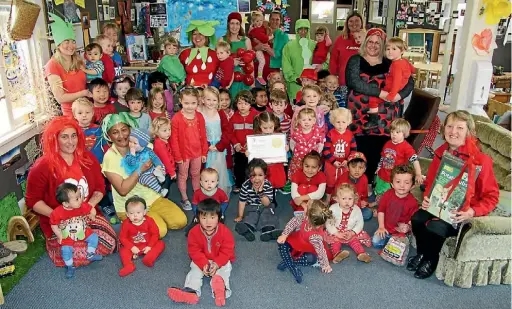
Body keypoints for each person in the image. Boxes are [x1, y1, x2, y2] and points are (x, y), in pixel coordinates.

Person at [408, 111, 499, 279]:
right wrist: (428, 198)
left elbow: (492, 196)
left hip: (461, 211)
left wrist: (472, 212)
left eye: (460, 127)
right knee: (417, 218)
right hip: (439, 203)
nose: (453, 131)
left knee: (435, 227)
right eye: (449, 126)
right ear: (444, 130)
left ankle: (430, 259)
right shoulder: (440, 153)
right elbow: (432, 183)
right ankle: (421, 253)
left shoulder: (482, 161)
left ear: (468, 132)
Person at [25, 117, 117, 267]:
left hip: (87, 216)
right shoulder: (42, 166)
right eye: (64, 137)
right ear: (55, 139)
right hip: (59, 222)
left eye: (73, 136)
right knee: (75, 253)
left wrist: (90, 207)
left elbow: (100, 188)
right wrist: (58, 217)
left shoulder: (88, 158)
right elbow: (33, 201)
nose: (70, 141)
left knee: (110, 242)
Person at [101, 113, 187, 238]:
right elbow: (123, 190)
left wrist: (160, 170)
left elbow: (158, 163)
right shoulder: (110, 157)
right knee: (160, 230)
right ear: (109, 136)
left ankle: (143, 222)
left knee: (180, 221)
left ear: (130, 129)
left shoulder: (143, 147)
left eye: (124, 130)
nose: (121, 135)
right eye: (115, 132)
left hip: (152, 196)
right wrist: (140, 169)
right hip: (130, 204)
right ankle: (130, 221)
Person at [345, 28, 414, 179]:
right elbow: (354, 82)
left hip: (385, 119)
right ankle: (359, 181)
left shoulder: (393, 62)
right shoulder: (355, 60)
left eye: (378, 42)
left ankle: (377, 181)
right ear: (365, 42)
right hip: (359, 116)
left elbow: (409, 81)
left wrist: (399, 95)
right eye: (370, 41)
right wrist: (380, 93)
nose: (373, 45)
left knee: (383, 149)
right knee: (359, 148)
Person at [168, 199, 235, 307]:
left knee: (224, 271)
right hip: (202, 259)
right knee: (194, 270)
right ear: (197, 218)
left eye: (212, 217)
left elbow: (227, 251)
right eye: (204, 218)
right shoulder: (193, 232)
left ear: (219, 218)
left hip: (220, 259)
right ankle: (190, 291)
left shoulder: (225, 232)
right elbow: (194, 251)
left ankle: (221, 291)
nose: (208, 222)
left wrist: (217, 264)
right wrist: (203, 263)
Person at [50, 183, 103, 278]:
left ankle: (90, 254)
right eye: (77, 199)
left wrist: (92, 214)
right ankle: (70, 266)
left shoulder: (82, 206)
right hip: (67, 233)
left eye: (80, 196)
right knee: (65, 250)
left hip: (82, 230)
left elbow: (91, 209)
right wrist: (59, 235)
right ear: (66, 203)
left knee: (94, 237)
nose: (81, 200)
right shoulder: (57, 213)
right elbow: (53, 225)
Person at [277, 200, 333, 284]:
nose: (304, 206)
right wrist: (284, 234)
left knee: (312, 259)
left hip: (308, 250)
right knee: (282, 243)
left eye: (306, 206)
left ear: (309, 214)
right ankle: (291, 265)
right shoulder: (306, 216)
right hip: (298, 241)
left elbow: (320, 251)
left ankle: (289, 263)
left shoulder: (315, 237)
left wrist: (325, 265)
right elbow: (294, 222)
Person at [365, 37, 415, 130]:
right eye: (388, 49)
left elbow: (397, 81)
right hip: (397, 91)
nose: (390, 52)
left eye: (394, 49)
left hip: (391, 90)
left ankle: (373, 120)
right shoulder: (404, 61)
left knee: (373, 100)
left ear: (402, 50)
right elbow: (413, 69)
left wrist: (392, 95)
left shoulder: (396, 65)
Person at [171, 88, 208, 210]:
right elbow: (174, 140)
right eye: (186, 103)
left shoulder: (200, 116)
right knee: (183, 175)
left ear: (198, 102)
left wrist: (204, 152)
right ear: (181, 101)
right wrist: (178, 156)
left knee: (196, 174)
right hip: (183, 154)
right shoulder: (177, 118)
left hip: (197, 152)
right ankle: (184, 198)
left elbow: (203, 135)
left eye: (193, 103)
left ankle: (197, 195)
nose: (190, 106)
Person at [45, 13, 89, 116]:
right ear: (58, 45)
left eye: (73, 41)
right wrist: (83, 93)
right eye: (66, 41)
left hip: (87, 111)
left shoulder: (78, 60)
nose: (71, 45)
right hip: (71, 114)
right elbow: (60, 98)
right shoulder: (52, 65)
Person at [374, 118, 423, 202]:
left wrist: (418, 173)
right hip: (382, 174)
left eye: (397, 132)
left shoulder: (406, 147)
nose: (394, 134)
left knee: (389, 197)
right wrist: (379, 167)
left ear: (404, 133)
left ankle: (384, 205)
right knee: (379, 191)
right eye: (392, 132)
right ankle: (378, 201)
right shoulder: (387, 143)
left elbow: (414, 159)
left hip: (394, 178)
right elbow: (383, 157)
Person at [234, 158, 281, 242]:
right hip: (252, 206)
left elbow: (267, 203)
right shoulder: (245, 185)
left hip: (266, 205)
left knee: (267, 215)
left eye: (260, 175)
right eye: (253, 175)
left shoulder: (268, 185)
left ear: (265, 175)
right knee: (251, 216)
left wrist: (260, 192)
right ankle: (248, 229)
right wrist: (240, 216)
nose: (257, 179)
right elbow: (242, 201)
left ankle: (268, 231)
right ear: (249, 175)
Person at [373, 164, 418, 249]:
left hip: (400, 233)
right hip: (385, 229)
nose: (402, 185)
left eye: (407, 182)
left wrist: (408, 227)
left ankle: (401, 240)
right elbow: (381, 211)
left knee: (399, 248)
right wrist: (381, 227)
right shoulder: (387, 194)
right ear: (392, 184)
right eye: (398, 182)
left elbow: (413, 219)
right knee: (375, 242)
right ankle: (390, 241)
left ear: (412, 186)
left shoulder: (413, 202)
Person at [118, 196, 165, 277]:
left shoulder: (149, 221)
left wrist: (149, 246)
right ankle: (128, 265)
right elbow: (123, 238)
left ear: (144, 212)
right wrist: (132, 247)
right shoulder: (126, 224)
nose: (135, 216)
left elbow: (155, 234)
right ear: (127, 214)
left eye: (138, 213)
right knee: (123, 250)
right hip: (133, 247)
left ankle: (149, 258)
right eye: (131, 213)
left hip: (147, 245)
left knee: (160, 243)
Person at [326, 183, 371, 263]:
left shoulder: (356, 209)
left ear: (354, 198)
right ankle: (337, 254)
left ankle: (361, 254)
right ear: (337, 199)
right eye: (344, 199)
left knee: (355, 241)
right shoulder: (333, 208)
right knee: (335, 242)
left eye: (350, 199)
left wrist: (353, 232)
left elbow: (360, 223)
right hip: (337, 231)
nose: (347, 202)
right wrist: (336, 233)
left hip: (350, 231)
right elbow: (329, 223)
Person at [200, 87, 233, 196]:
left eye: (214, 100)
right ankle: (207, 192)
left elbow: (227, 131)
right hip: (206, 148)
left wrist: (219, 146)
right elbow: (199, 132)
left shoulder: (221, 114)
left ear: (218, 101)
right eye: (208, 100)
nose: (211, 103)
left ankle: (219, 194)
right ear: (203, 99)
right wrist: (207, 145)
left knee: (219, 170)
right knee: (207, 170)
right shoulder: (200, 113)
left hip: (219, 148)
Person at [322, 108, 357, 201]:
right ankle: (328, 198)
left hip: (345, 163)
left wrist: (348, 160)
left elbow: (354, 150)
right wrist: (333, 161)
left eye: (343, 122)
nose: (341, 125)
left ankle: (342, 199)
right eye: (338, 122)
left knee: (344, 182)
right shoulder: (330, 134)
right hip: (331, 163)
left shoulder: (350, 134)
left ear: (348, 122)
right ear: (333, 122)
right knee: (330, 182)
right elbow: (326, 150)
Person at [122, 128, 168, 196]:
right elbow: (132, 164)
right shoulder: (129, 154)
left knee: (162, 167)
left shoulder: (148, 150)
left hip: (151, 168)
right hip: (141, 174)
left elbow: (155, 158)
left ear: (142, 144)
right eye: (130, 142)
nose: (131, 145)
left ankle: (159, 175)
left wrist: (159, 165)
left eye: (135, 143)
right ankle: (160, 190)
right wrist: (132, 155)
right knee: (149, 179)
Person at [229, 90, 258, 192]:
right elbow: (230, 133)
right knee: (239, 168)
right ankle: (239, 184)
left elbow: (258, 131)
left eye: (246, 103)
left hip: (252, 149)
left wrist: (251, 143)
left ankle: (254, 184)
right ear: (236, 104)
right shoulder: (233, 118)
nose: (242, 106)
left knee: (253, 168)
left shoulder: (256, 116)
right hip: (239, 149)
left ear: (251, 104)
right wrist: (236, 143)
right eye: (240, 103)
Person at [219, 12, 253, 99]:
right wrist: (230, 62)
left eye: (237, 23)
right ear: (228, 24)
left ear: (240, 25)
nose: (235, 26)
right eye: (232, 23)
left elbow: (250, 62)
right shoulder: (222, 40)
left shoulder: (246, 40)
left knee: (244, 104)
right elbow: (218, 61)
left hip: (244, 79)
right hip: (229, 78)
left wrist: (252, 82)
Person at [282, 19, 316, 100]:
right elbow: (286, 64)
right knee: (296, 107)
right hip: (295, 85)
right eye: (300, 29)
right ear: (296, 30)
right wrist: (295, 78)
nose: (303, 31)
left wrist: (315, 77)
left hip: (312, 85)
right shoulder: (289, 46)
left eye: (305, 29)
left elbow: (324, 61)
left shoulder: (314, 45)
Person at [329, 11, 366, 86]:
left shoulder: (367, 39)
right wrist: (333, 76)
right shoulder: (340, 39)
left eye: (357, 21)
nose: (354, 24)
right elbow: (333, 59)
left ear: (361, 23)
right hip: (343, 80)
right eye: (351, 21)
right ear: (347, 24)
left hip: (362, 82)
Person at [179, 20, 220, 87]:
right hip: (190, 93)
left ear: (207, 36)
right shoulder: (185, 53)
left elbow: (221, 74)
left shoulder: (215, 54)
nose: (197, 37)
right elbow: (177, 71)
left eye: (201, 33)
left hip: (210, 93)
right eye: (194, 34)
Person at [252, 112, 287, 190]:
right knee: (263, 183)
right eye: (265, 128)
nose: (268, 130)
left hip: (275, 165)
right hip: (263, 166)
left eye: (271, 127)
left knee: (275, 181)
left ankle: (273, 193)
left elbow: (282, 148)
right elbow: (252, 150)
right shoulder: (256, 137)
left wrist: (285, 149)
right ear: (260, 126)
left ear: (274, 124)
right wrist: (249, 153)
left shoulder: (278, 136)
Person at [334, 152, 372, 221]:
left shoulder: (364, 178)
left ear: (365, 169)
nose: (357, 170)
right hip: (342, 205)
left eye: (360, 168)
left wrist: (364, 201)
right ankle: (348, 218)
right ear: (348, 167)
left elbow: (364, 196)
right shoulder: (343, 179)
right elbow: (337, 198)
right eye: (353, 167)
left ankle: (348, 219)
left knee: (368, 213)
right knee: (334, 212)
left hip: (356, 206)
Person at [289, 108, 324, 178]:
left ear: (314, 121)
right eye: (303, 120)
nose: (306, 122)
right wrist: (296, 152)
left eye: (309, 120)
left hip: (312, 161)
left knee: (312, 177)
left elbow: (321, 144)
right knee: (298, 176)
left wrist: (316, 154)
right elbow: (292, 143)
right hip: (298, 160)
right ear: (299, 121)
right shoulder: (296, 133)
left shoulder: (318, 132)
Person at [72, 98, 108, 164]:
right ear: (74, 115)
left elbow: (105, 145)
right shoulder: (74, 131)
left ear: (92, 113)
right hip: (82, 163)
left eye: (87, 112)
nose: (84, 115)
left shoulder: (98, 129)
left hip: (99, 162)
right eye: (80, 113)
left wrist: (107, 160)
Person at [248, 11, 274, 86]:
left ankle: (260, 76)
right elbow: (264, 38)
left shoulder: (260, 28)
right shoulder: (256, 30)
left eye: (261, 20)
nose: (259, 22)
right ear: (253, 22)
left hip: (260, 48)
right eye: (257, 21)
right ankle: (259, 76)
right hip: (257, 50)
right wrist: (271, 37)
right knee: (262, 61)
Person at [151, 117, 177, 181]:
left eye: (169, 129)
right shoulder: (159, 144)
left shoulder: (164, 140)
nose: (168, 132)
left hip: (167, 169)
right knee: (166, 187)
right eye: (164, 130)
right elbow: (166, 159)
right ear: (156, 132)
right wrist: (172, 172)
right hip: (164, 171)